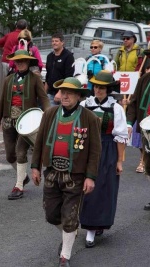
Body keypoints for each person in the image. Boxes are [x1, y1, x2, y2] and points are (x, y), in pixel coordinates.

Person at [31, 77, 101, 267]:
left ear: (79, 96)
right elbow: (39, 142)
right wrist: (35, 166)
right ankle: (69, 232)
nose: (65, 95)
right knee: (51, 215)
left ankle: (65, 256)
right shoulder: (50, 114)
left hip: (75, 176)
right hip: (52, 172)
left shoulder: (90, 118)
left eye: (70, 92)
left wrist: (90, 177)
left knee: (69, 216)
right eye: (63, 91)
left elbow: (95, 151)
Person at [0, 49, 50, 200]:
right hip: (8, 121)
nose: (20, 63)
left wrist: (49, 115)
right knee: (10, 155)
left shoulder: (35, 79)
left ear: (29, 62)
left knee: (20, 152)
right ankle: (23, 176)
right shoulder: (8, 80)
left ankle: (19, 185)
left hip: (26, 122)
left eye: (23, 60)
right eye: (18, 61)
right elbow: (1, 103)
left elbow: (43, 99)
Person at [79, 70, 128, 248]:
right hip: (86, 148)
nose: (98, 90)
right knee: (86, 187)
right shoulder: (85, 104)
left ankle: (96, 225)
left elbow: (121, 136)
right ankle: (88, 225)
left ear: (108, 89)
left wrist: (119, 161)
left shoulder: (116, 108)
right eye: (96, 87)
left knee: (103, 189)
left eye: (102, 88)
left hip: (107, 149)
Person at [115, 30, 145, 173]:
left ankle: (143, 160)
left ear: (133, 39)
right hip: (123, 83)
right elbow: (116, 65)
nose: (125, 40)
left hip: (135, 81)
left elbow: (140, 67)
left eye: (127, 38)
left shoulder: (139, 51)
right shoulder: (120, 52)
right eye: (123, 38)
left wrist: (137, 77)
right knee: (122, 110)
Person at [126, 65, 150, 211]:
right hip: (146, 127)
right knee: (149, 166)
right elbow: (134, 102)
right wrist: (129, 123)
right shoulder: (144, 79)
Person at [44, 33, 75, 106]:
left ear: (62, 42)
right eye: (53, 41)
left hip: (63, 93)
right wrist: (44, 92)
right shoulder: (49, 56)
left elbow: (69, 76)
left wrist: (60, 92)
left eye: (56, 41)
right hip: (50, 93)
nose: (54, 43)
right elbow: (47, 75)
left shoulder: (68, 56)